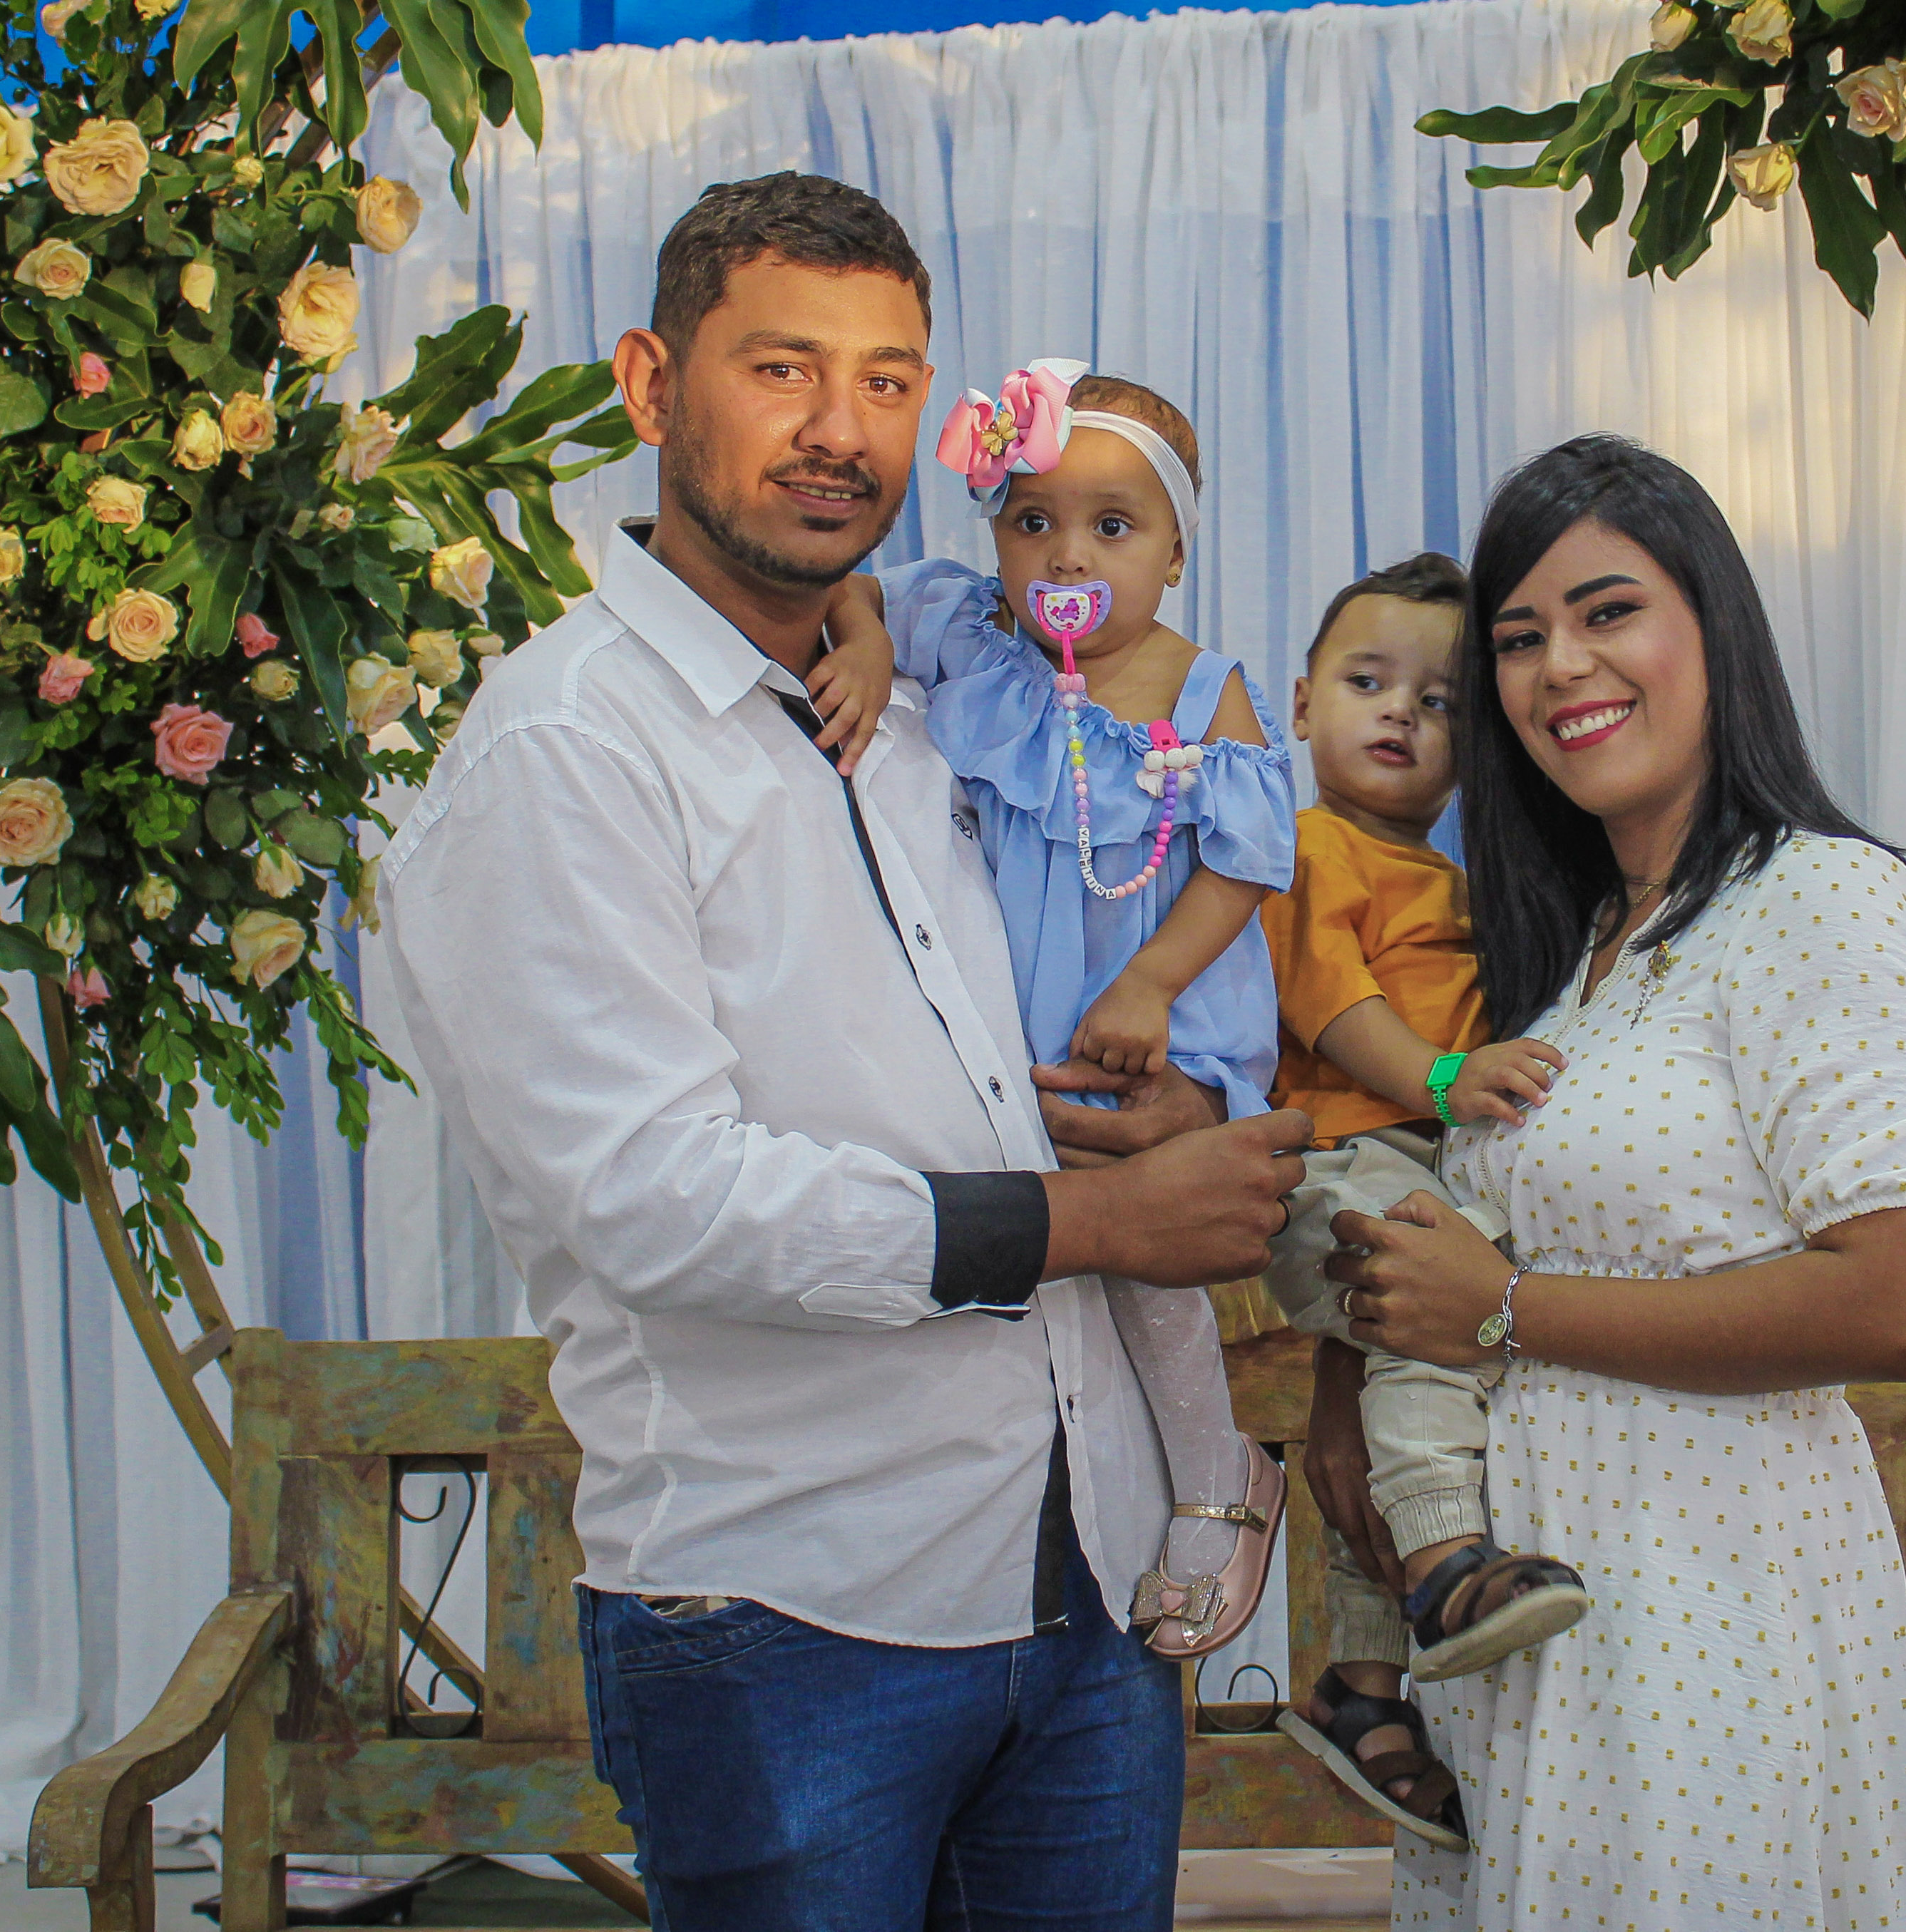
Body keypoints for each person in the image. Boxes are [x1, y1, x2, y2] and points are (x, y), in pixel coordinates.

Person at [374, 172, 1309, 1932]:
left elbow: (1034, 1018)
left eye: (885, 381)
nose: (838, 429)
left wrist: (1170, 1110)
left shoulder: (933, 708)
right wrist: (1099, 1222)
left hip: (1083, 1573)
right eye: (782, 368)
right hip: (790, 1614)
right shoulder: (566, 749)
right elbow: (656, 1199)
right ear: (652, 386)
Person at [1315, 436, 1906, 1929]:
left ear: (1711, 626)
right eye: (1517, 639)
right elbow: (1438, 1223)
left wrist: (1505, 1309)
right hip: (1518, 1630)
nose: (1560, 667)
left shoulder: (1821, 895)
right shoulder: (1572, 951)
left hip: (1705, 1611)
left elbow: (1891, 1304)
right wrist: (1357, 1372)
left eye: (1607, 612)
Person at [816, 357, 1296, 1658]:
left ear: (1174, 554)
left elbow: (1248, 861)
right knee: (1040, 1245)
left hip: (1148, 1017)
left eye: (1112, 525)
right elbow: (850, 584)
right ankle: (1066, 1503)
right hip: (1010, 1020)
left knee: (1132, 1242)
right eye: (1032, 521)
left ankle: (1220, 1475)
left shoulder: (1201, 690)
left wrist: (1150, 982)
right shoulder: (974, 634)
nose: (1066, 554)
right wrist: (869, 644)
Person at [1233, 555, 1589, 1853]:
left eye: (1438, 702)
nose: (1399, 712)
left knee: (1411, 1369)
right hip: (1338, 1154)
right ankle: (1441, 1565)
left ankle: (1362, 1682)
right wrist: (1444, 1078)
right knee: (1438, 1311)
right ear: (1300, 701)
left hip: (1403, 1159)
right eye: (1366, 682)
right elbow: (1330, 1000)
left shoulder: (1455, 878)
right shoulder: (1295, 843)